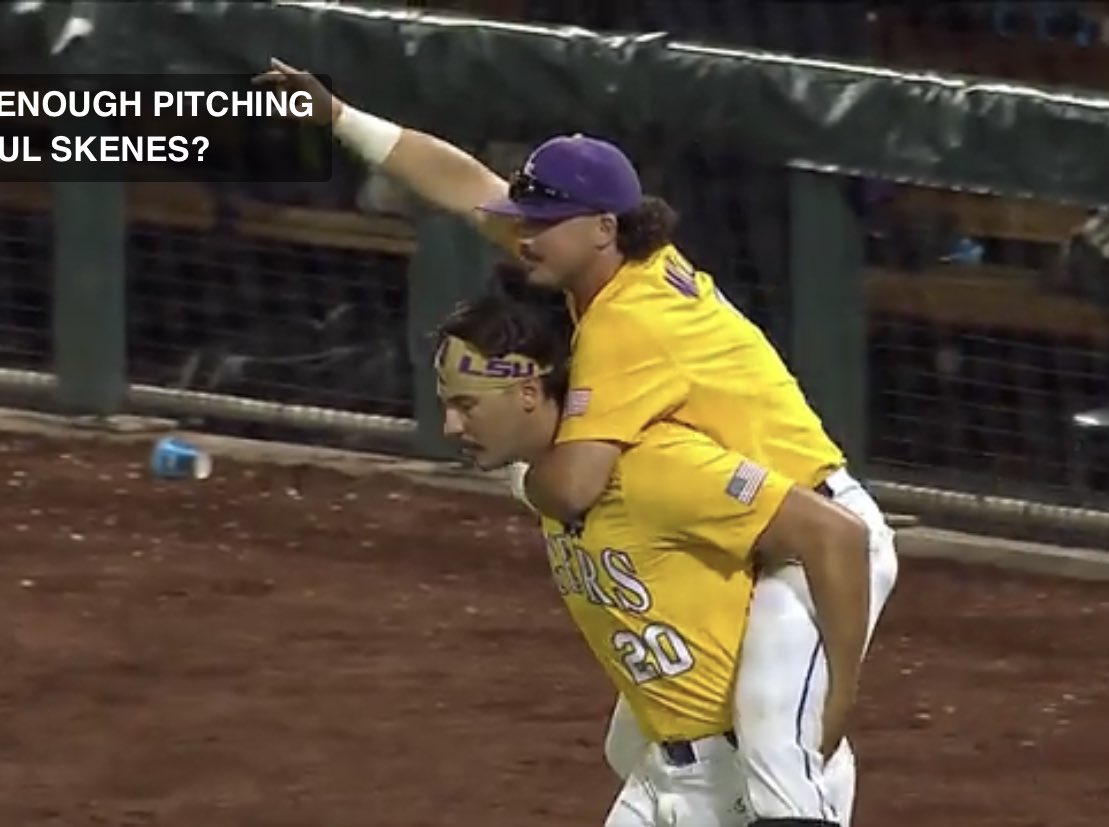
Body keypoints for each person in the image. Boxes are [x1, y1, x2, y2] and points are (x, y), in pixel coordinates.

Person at [256, 60, 899, 827]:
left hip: (815, 540)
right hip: (745, 525)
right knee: (646, 739)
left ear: (602, 226)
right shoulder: (610, 264)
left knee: (771, 738)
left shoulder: (627, 325)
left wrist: (843, 689)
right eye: (523, 216)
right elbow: (462, 182)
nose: (521, 233)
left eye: (540, 220)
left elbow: (572, 488)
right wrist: (338, 117)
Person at [434, 292, 869, 827]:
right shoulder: (538, 478)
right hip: (665, 774)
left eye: (466, 405)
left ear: (528, 393)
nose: (451, 427)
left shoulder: (657, 466)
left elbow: (838, 535)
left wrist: (838, 698)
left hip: (748, 776)